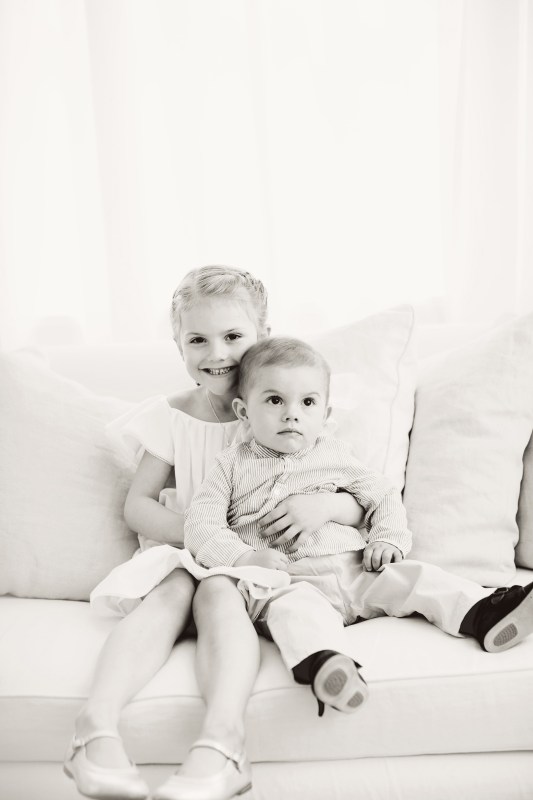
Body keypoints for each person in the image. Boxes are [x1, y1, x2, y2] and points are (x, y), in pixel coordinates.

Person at [64, 267, 365, 800]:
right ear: (177, 343)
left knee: (219, 590)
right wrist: (206, 542)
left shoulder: (293, 406)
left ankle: (222, 744)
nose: (217, 353)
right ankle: (94, 730)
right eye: (197, 340)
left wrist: (324, 505)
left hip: (255, 565)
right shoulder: (173, 416)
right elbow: (137, 505)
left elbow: (359, 494)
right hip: (188, 548)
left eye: (232, 336)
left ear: (263, 333)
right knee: (177, 588)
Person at [185, 336, 533, 718]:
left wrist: (387, 539)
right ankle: (328, 666)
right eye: (274, 400)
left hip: (358, 569)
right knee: (297, 614)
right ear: (243, 411)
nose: (291, 415)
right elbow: (201, 524)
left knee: (415, 578)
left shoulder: (334, 454)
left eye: (307, 402)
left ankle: (484, 613)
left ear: (325, 413)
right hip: (291, 581)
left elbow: (381, 495)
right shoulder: (230, 465)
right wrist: (244, 557)